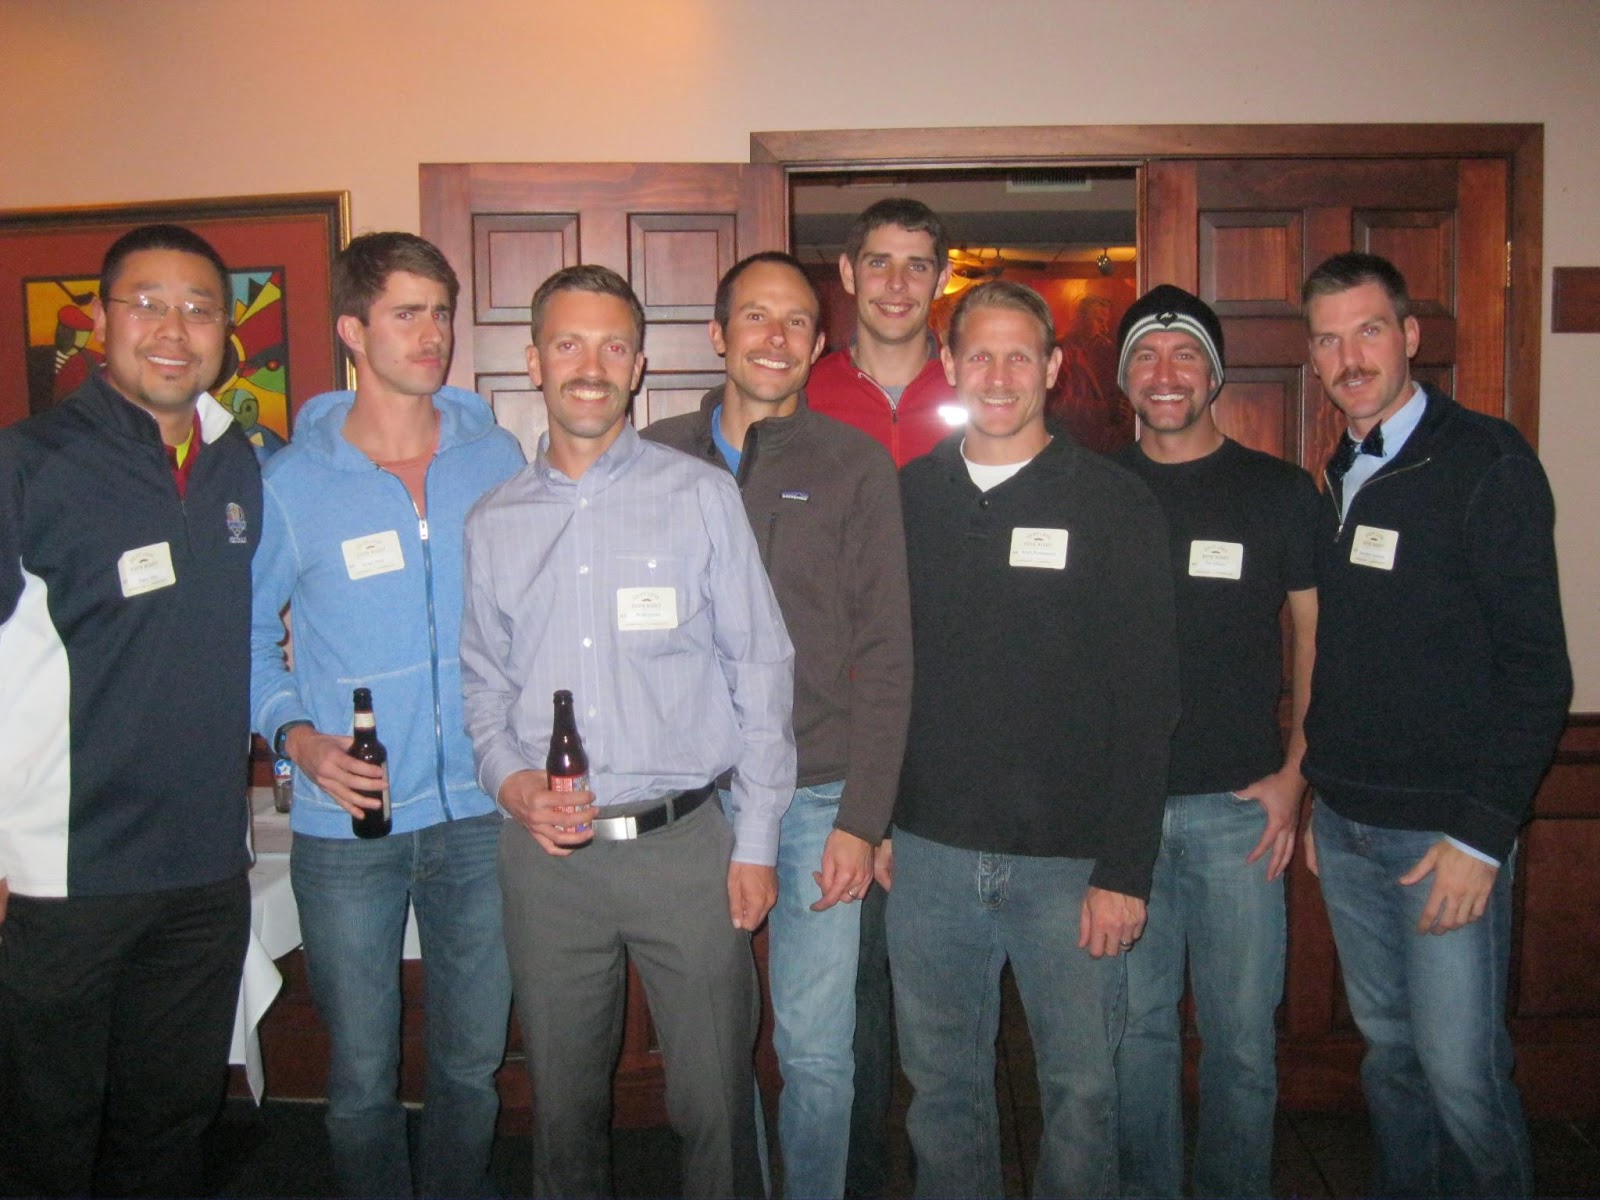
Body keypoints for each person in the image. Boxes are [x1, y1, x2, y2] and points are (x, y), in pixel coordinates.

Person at [459, 264, 796, 1198]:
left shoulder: (700, 496)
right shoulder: (492, 522)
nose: (592, 366)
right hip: (548, 863)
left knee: (715, 1104)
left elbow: (761, 666)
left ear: (639, 365)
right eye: (568, 343)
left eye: (614, 346)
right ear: (534, 361)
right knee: (562, 1114)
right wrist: (509, 781)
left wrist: (757, 841)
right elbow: (482, 685)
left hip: (685, 849)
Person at [890, 279, 1179, 1197]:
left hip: (1071, 864)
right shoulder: (905, 498)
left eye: (1021, 355)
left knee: (1083, 1093)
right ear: (948, 365)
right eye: (980, 353)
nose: (999, 374)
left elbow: (1149, 700)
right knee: (941, 1091)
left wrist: (1125, 869)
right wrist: (876, 818)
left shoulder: (1114, 502)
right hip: (930, 855)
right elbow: (876, 672)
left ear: (1053, 368)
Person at [249, 232, 523, 1197]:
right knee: (362, 1076)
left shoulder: (495, 456)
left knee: (470, 1066)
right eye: (407, 313)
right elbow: (246, 640)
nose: (432, 333)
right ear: (352, 331)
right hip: (350, 828)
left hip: (481, 816)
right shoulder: (292, 483)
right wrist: (297, 739)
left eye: (441, 312)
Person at [1301, 252, 1571, 1198]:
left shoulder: (1486, 463)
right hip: (1349, 825)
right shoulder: (1341, 468)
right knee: (1393, 1061)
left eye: (1369, 330)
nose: (1350, 357)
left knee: (1463, 1075)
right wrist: (1322, 797)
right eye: (1328, 340)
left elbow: (1539, 671)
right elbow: (1348, 652)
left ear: (1411, 336)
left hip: (1443, 839)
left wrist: (1481, 836)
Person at [645, 251, 912, 1199]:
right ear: (718, 334)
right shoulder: (653, 458)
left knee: (816, 1048)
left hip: (817, 794)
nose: (776, 337)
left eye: (797, 321)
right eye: (756, 316)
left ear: (818, 343)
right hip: (688, 802)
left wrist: (864, 818)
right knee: (712, 1047)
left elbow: (888, 653)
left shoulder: (854, 465)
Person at [0, 224, 261, 1196]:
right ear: (99, 320)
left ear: (226, 332)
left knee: (172, 1125)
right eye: (147, 303)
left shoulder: (237, 462)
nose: (173, 329)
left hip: (205, 869)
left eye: (199, 309)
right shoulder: (29, 463)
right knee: (45, 1134)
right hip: (65, 875)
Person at [1108, 284, 1319, 1198]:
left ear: (1215, 373)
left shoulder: (1279, 492)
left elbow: (1316, 637)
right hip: (1123, 817)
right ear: (1124, 379)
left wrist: (1296, 775)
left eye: (1185, 353)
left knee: (1240, 1043)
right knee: (1136, 1036)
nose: (1166, 373)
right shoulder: (1095, 490)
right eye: (1146, 357)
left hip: (1242, 812)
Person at [805, 197, 957, 1196]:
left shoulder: (979, 383)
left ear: (940, 276)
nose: (898, 283)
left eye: (918, 264)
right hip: (844, 732)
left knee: (941, 992)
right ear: (849, 274)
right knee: (850, 991)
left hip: (956, 730)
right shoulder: (804, 391)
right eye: (881, 263)